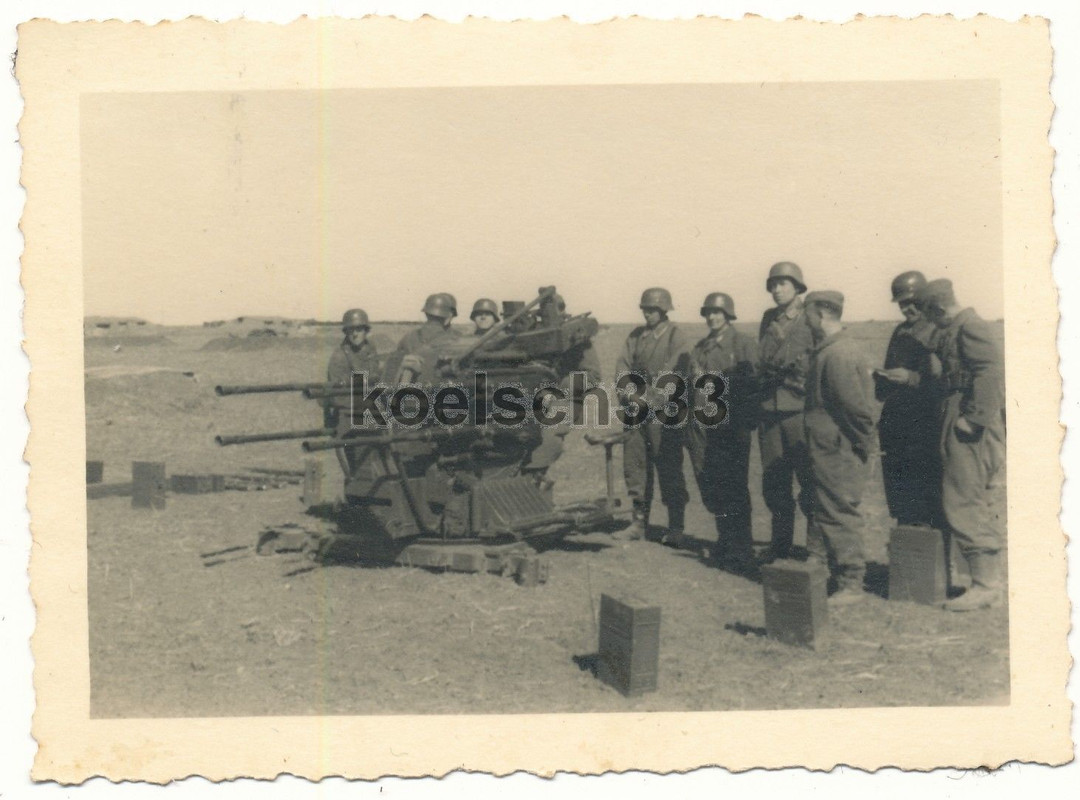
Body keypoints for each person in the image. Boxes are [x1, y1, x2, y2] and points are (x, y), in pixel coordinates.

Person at [915, 278, 1006, 612]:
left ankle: (986, 585)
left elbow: (991, 372)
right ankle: (984, 580)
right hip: (956, 412)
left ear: (938, 308)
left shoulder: (971, 327)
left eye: (930, 313)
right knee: (962, 495)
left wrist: (975, 418)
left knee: (965, 498)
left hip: (968, 421)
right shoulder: (955, 327)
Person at [802, 291, 877, 603]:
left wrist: (864, 444)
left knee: (839, 510)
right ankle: (837, 573)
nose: (805, 319)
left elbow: (854, 408)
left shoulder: (838, 355)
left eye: (807, 313)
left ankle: (851, 582)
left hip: (836, 449)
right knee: (828, 507)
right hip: (828, 447)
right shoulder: (832, 351)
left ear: (821, 315)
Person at [686, 292, 759, 572]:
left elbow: (752, 385)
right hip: (705, 425)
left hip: (731, 426)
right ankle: (725, 539)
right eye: (708, 313)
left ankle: (741, 546)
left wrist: (744, 422)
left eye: (717, 313)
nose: (712, 318)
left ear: (728, 315)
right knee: (713, 482)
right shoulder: (701, 347)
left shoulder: (741, 343)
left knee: (735, 485)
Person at [614, 287, 691, 542]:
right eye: (645, 309)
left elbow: (673, 375)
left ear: (664, 310)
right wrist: (629, 395)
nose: (648, 313)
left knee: (668, 467)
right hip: (636, 412)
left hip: (664, 414)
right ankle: (638, 523)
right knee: (635, 467)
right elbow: (622, 367)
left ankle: (676, 527)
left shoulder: (675, 336)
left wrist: (650, 399)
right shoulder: (636, 336)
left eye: (653, 309)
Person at [874, 271, 943, 526]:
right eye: (902, 303)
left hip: (926, 421)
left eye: (913, 302)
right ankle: (907, 534)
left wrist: (912, 378)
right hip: (897, 421)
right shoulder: (900, 332)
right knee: (900, 485)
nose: (907, 309)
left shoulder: (937, 330)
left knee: (926, 485)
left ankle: (927, 542)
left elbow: (944, 379)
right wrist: (881, 378)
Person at [757, 261, 815, 561]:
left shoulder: (811, 317)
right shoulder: (769, 319)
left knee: (809, 481)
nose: (777, 289)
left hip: (799, 410)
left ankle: (816, 550)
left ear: (797, 287)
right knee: (774, 483)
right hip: (770, 411)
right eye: (773, 284)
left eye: (783, 283)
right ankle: (781, 545)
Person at [523, 293, 604, 476]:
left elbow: (592, 375)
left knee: (546, 439)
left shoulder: (575, 335)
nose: (549, 317)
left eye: (555, 311)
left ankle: (535, 477)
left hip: (564, 399)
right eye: (543, 314)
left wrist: (560, 386)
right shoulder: (532, 335)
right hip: (533, 397)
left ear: (563, 311)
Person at [324, 308, 379, 473]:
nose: (355, 334)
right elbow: (336, 396)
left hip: (370, 412)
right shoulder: (339, 357)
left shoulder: (370, 349)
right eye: (351, 330)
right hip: (347, 416)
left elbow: (376, 377)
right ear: (345, 332)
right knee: (356, 469)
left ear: (366, 331)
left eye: (359, 329)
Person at [381, 292, 461, 384]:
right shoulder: (459, 339)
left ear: (426, 313)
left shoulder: (408, 337)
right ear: (449, 315)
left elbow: (390, 371)